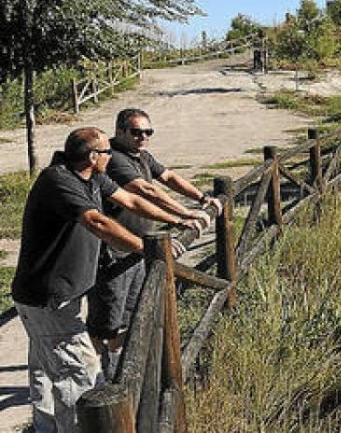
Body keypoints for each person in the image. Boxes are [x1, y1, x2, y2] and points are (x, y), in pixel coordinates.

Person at [11, 127, 203, 433]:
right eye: (106, 152)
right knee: (80, 377)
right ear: (92, 156)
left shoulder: (91, 176)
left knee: (46, 375)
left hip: (55, 297)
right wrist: (147, 248)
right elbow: (97, 221)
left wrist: (178, 219)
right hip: (48, 298)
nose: (110, 156)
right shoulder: (59, 180)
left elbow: (131, 200)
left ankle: (47, 429)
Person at [87, 108, 220, 377]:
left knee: (132, 315)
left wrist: (201, 199)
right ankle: (100, 379)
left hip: (138, 249)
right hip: (113, 253)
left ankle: (126, 373)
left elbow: (168, 177)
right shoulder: (113, 159)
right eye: (136, 132)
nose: (143, 137)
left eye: (148, 132)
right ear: (120, 132)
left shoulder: (142, 156)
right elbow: (144, 191)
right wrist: (183, 215)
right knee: (106, 322)